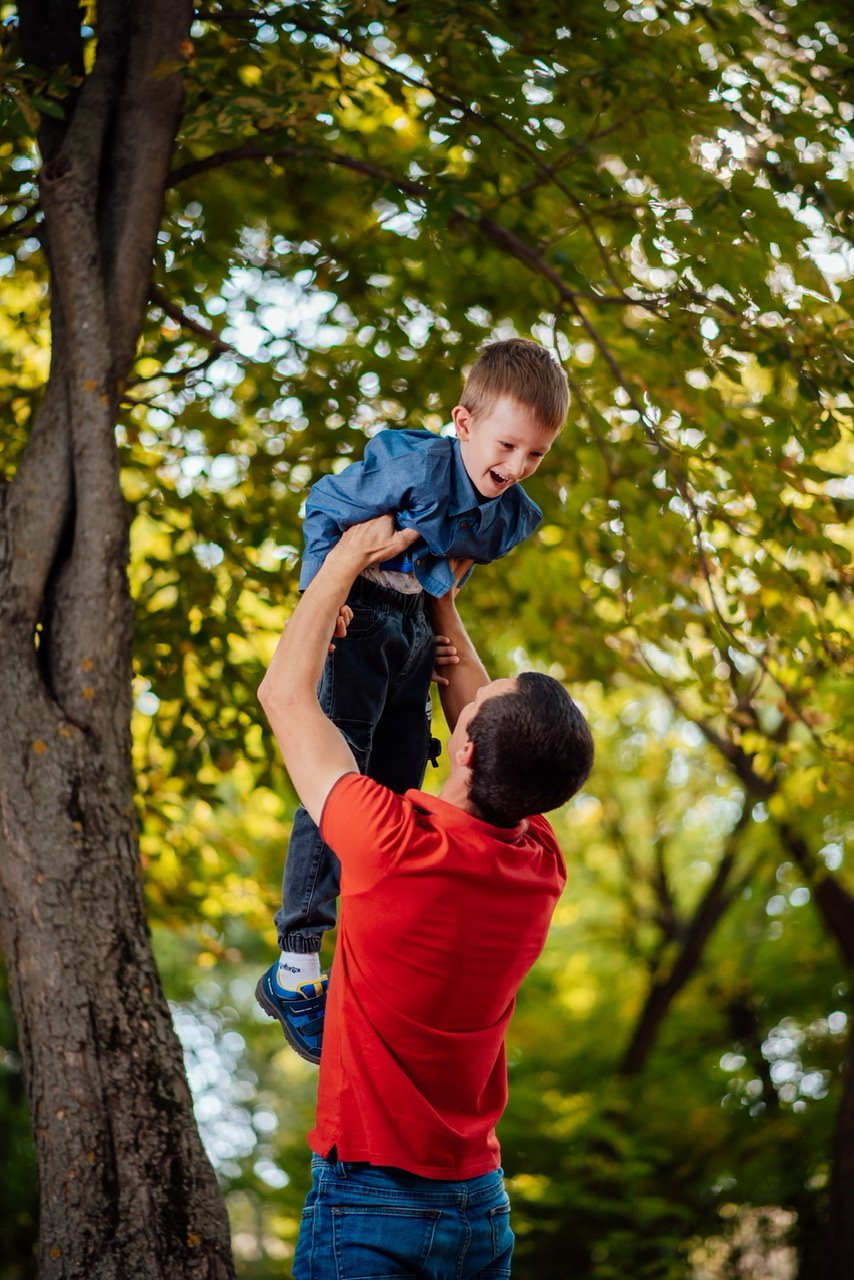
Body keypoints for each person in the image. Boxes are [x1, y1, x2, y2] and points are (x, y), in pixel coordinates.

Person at [256, 514, 594, 1280]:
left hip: (372, 1207)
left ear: (465, 747)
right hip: (479, 1208)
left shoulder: (391, 841)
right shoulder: (537, 863)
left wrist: (342, 563)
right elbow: (499, 733)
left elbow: (284, 696)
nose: (469, 687)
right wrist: (439, 595)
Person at [256, 338, 570, 1062]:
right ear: (462, 421)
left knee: (396, 788)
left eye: (536, 455)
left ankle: (359, 947)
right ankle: (298, 958)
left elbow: (461, 559)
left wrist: (440, 602)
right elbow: (326, 504)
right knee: (338, 780)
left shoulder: (512, 512)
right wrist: (318, 590)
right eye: (507, 445)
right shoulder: (415, 465)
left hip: (414, 632)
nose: (517, 467)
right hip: (358, 612)